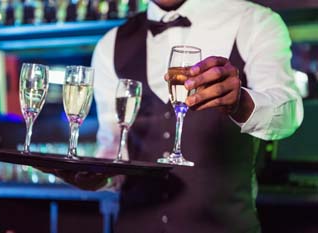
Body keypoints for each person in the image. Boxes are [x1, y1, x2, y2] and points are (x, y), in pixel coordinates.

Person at [49, 0, 304, 232]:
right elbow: (114, 151)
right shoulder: (110, 44)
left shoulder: (255, 21)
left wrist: (241, 103)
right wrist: (95, 175)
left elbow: (288, 115)